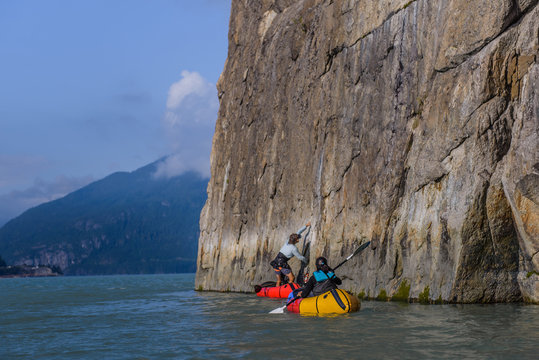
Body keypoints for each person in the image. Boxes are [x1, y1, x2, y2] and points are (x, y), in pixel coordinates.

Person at [270, 222, 310, 287]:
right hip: (282, 264)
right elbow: (300, 257)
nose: (298, 238)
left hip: (275, 262)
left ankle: (278, 293)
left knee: (279, 280)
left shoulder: (288, 241)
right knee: (292, 278)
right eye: (297, 238)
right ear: (295, 240)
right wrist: (307, 261)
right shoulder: (293, 248)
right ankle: (287, 291)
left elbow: (298, 232)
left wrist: (306, 226)